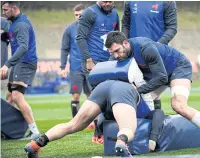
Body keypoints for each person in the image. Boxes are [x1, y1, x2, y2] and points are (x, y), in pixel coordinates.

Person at [104, 31, 200, 152]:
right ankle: (152, 138)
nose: (115, 56)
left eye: (117, 51)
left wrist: (138, 90)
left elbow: (162, 77)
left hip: (177, 67)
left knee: (178, 105)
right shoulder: (115, 56)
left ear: (125, 43)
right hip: (158, 74)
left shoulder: (144, 48)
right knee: (134, 102)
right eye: (112, 53)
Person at [24, 80, 140, 158]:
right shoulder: (137, 87)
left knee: (72, 124)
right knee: (127, 127)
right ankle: (121, 143)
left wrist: (98, 129)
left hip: (102, 87)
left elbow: (103, 115)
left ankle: (36, 144)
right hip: (124, 90)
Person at [75, 1, 120, 143]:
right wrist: (88, 60)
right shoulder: (89, 13)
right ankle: (99, 131)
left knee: (113, 95)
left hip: (110, 61)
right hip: (93, 62)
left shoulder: (115, 14)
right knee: (99, 97)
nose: (107, 3)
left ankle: (109, 131)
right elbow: (80, 37)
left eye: (110, 1)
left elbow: (116, 37)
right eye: (104, 0)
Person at [122, 1, 178, 110]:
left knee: (154, 88)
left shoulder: (168, 2)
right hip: (133, 53)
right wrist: (124, 43)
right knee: (135, 86)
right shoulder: (129, 2)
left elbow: (172, 28)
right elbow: (125, 24)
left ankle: (155, 120)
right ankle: (142, 121)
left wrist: (156, 46)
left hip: (156, 52)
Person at [1, 1, 40, 139]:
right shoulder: (14, 21)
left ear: (14, 8)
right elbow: (10, 33)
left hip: (26, 62)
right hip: (19, 63)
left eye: (5, 10)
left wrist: (7, 64)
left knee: (17, 96)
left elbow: (23, 47)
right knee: (9, 97)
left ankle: (35, 132)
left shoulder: (21, 25)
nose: (3, 12)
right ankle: (6, 129)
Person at [60, 4, 91, 118]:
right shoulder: (69, 29)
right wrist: (62, 67)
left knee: (91, 96)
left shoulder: (92, 28)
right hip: (76, 68)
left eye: (80, 15)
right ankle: (76, 121)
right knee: (76, 96)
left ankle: (93, 122)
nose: (78, 17)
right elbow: (64, 49)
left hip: (90, 67)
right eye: (76, 15)